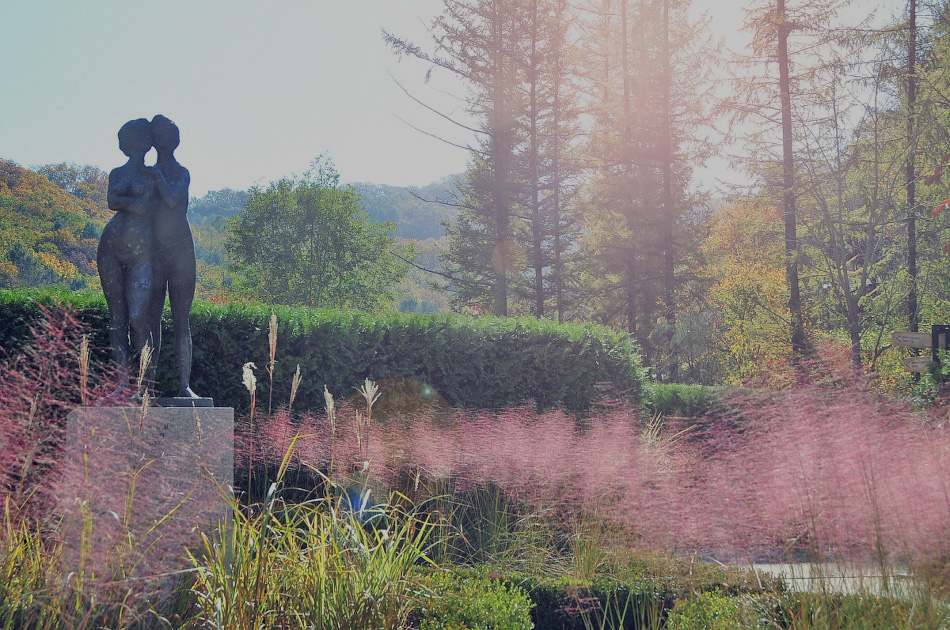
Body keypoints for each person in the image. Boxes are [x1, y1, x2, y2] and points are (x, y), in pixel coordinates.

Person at [97, 118, 160, 398]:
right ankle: (122, 384)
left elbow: (141, 206)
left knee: (137, 317)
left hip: (141, 253)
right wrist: (130, 200)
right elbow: (113, 201)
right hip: (110, 246)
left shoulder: (152, 175)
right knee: (117, 319)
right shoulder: (116, 172)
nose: (132, 146)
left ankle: (145, 384)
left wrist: (127, 200)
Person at [148, 114, 201, 399]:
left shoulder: (181, 172)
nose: (164, 141)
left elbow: (171, 199)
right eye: (159, 136)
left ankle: (184, 385)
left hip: (181, 249)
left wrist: (155, 176)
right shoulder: (147, 173)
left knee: (182, 320)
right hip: (155, 251)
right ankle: (148, 387)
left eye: (168, 136)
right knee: (151, 319)